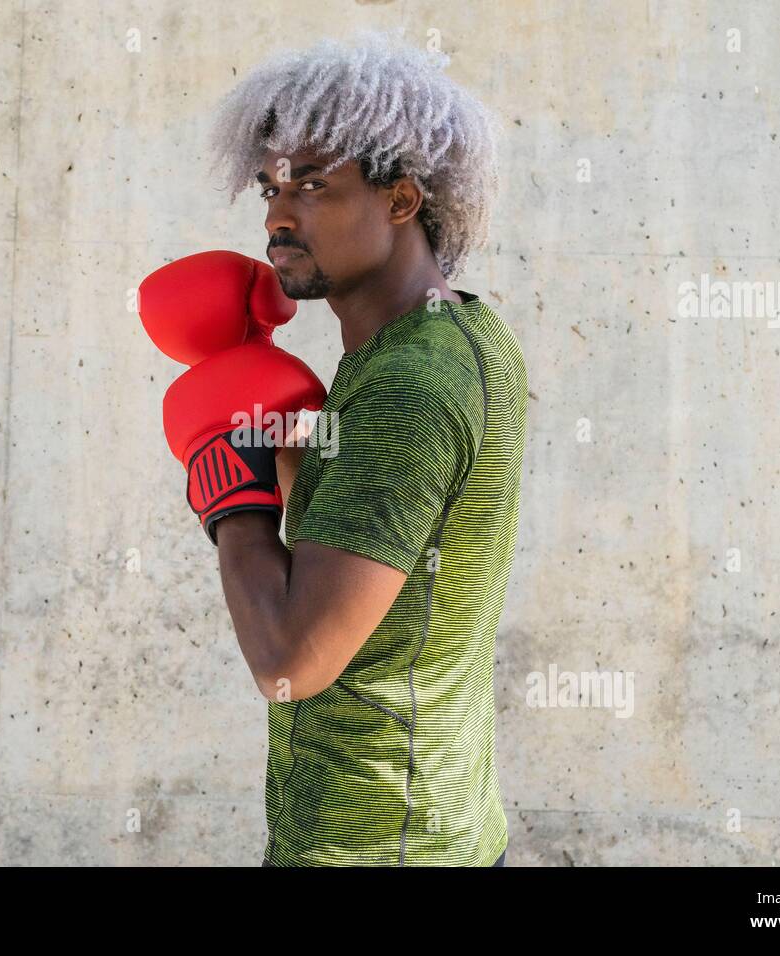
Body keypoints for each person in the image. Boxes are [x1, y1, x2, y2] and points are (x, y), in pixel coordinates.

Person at [202, 30, 528, 867]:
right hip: (437, 818)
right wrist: (279, 436)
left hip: (376, 843)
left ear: (402, 199)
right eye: (271, 186)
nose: (279, 214)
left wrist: (229, 500)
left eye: (313, 184)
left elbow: (289, 662)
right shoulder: (460, 334)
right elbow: (388, 523)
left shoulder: (405, 389)